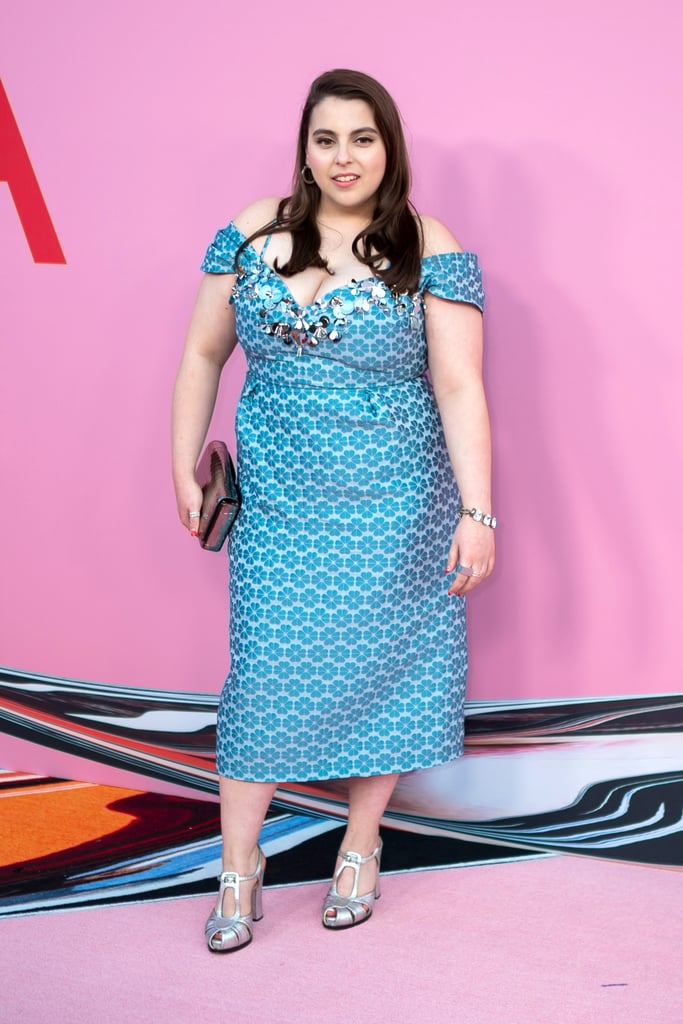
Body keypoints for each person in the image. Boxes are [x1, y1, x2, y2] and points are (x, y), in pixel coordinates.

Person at [171, 68, 495, 953]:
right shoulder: (251, 229)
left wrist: (479, 513)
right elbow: (203, 355)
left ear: (388, 147)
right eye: (326, 139)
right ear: (304, 149)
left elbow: (459, 385)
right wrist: (181, 467)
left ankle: (359, 847)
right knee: (264, 680)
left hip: (398, 507)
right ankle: (239, 869)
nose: (343, 157)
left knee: (390, 671)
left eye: (362, 137)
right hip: (278, 503)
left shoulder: (428, 243)